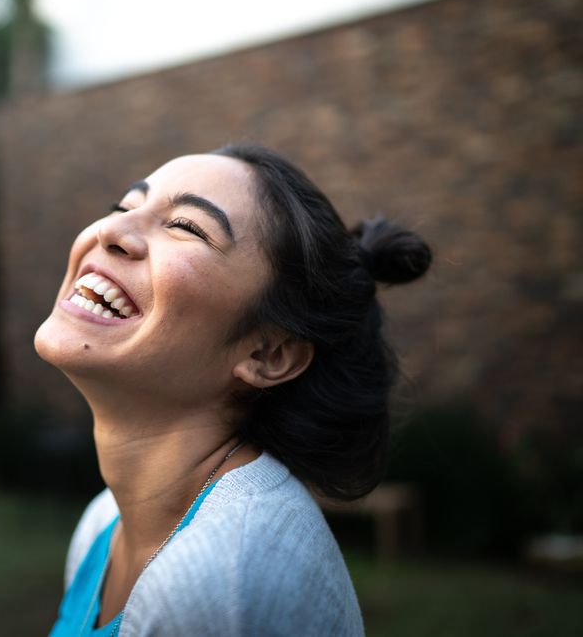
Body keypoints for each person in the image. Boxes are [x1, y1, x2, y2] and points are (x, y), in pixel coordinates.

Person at [35, 143, 431, 636]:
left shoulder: (219, 585)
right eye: (125, 207)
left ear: (268, 354)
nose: (110, 230)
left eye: (185, 227)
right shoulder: (104, 522)